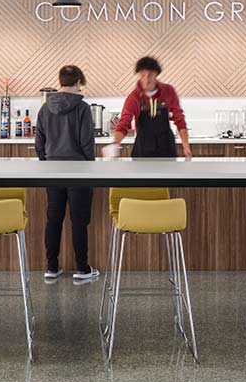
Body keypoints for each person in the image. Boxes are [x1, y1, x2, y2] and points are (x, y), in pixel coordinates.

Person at [35, 64, 99, 282]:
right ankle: (82, 269)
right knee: (79, 221)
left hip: (52, 171)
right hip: (79, 171)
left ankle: (51, 267)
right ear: (78, 83)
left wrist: (46, 163)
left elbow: (39, 143)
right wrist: (90, 168)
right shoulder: (82, 108)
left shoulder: (44, 108)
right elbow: (86, 143)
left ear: (61, 81)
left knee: (53, 219)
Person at [110, 56, 192, 159]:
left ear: (156, 74)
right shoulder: (134, 97)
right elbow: (124, 123)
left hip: (166, 147)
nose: (146, 80)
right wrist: (115, 143)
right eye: (142, 75)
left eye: (150, 75)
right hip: (143, 147)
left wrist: (186, 146)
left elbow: (179, 119)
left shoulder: (168, 91)